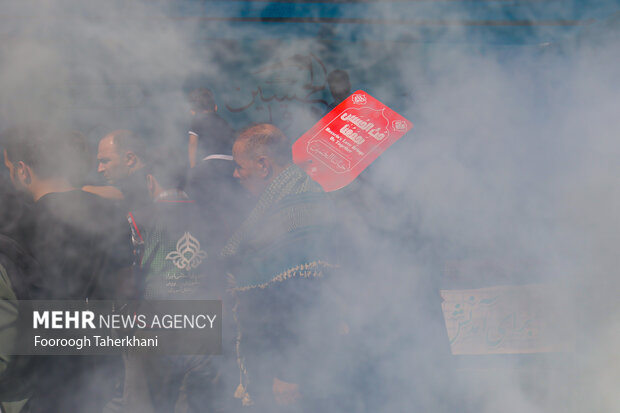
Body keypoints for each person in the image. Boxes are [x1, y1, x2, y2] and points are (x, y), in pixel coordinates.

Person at [2, 123, 133, 413]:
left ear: (23, 171)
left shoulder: (16, 229)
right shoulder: (112, 215)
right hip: (100, 368)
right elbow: (126, 288)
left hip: (38, 379)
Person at [222, 123, 337, 410]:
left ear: (263, 165)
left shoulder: (299, 205)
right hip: (270, 360)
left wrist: (290, 375)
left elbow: (305, 299)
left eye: (239, 166)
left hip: (289, 371)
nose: (235, 175)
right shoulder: (280, 201)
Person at [187, 88, 235, 168]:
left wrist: (192, 165)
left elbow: (192, 144)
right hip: (230, 161)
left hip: (211, 162)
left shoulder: (197, 121)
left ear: (193, 111)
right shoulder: (224, 122)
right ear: (216, 108)